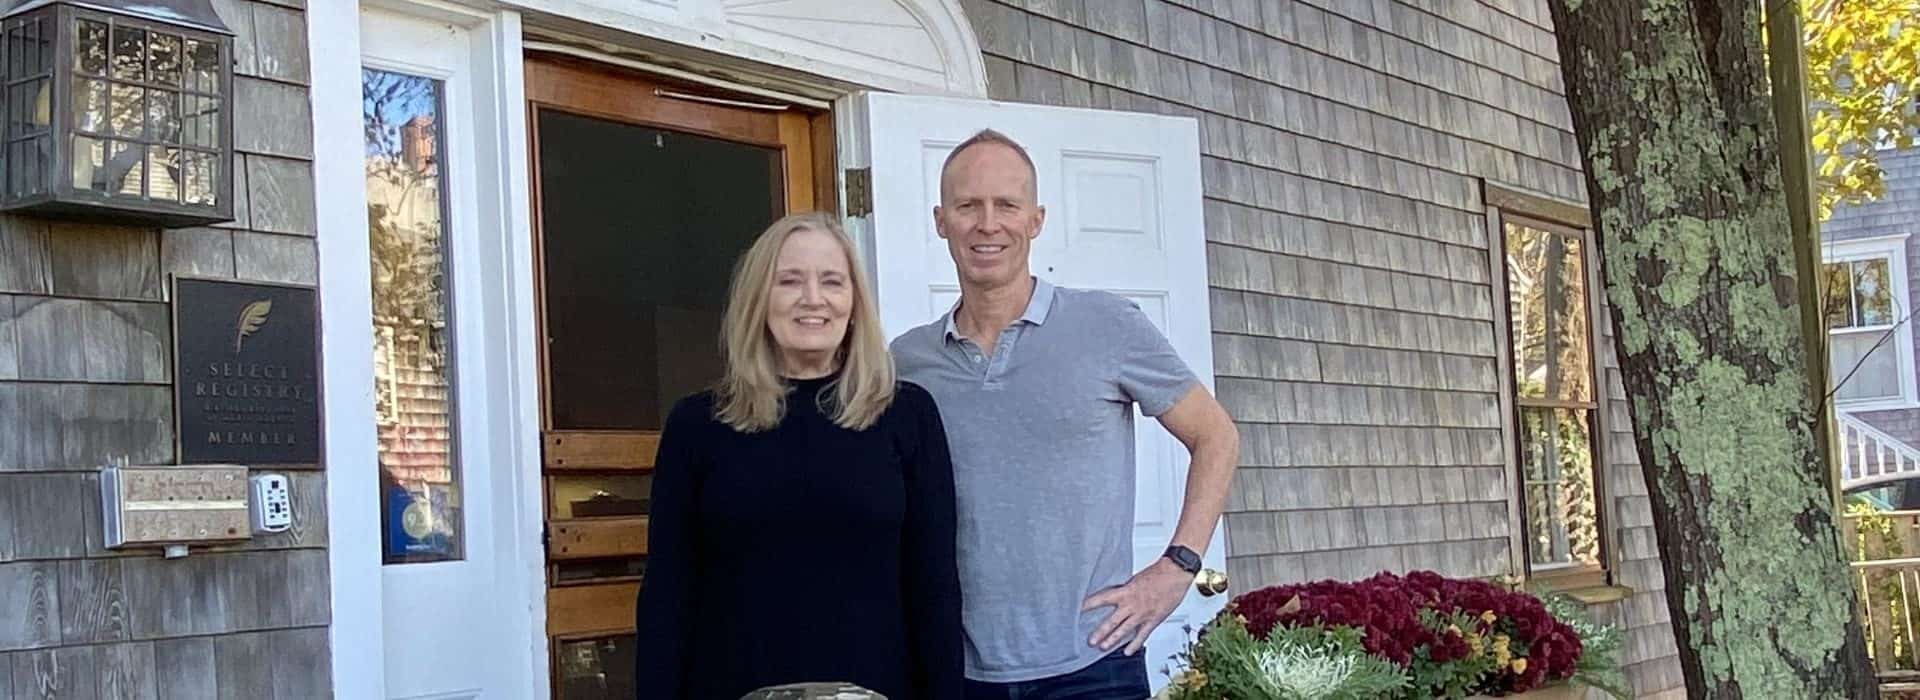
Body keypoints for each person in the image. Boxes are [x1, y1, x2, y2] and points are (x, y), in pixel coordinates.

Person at [890, 130, 1241, 700]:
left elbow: (1216, 436)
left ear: (1036, 219)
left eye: (1006, 205)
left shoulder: (1106, 325)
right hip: (957, 671)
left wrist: (1178, 567)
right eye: (967, 205)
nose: (987, 223)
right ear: (940, 220)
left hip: (1094, 665)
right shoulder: (907, 361)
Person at [634, 212, 963, 700]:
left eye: (832, 281)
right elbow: (668, 592)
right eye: (790, 281)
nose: (813, 299)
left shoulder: (907, 415)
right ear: (759, 299)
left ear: (854, 302)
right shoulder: (698, 425)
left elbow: (933, 584)